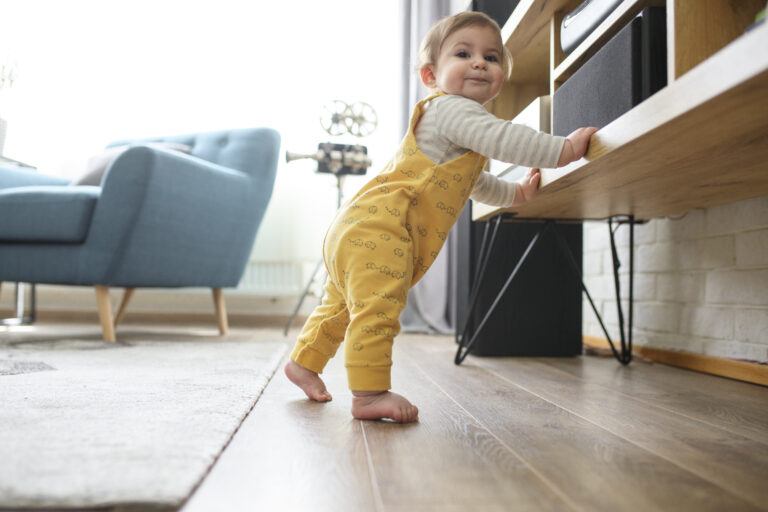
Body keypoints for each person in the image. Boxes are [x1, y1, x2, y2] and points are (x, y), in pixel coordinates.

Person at [285, 11, 597, 423]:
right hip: (381, 228)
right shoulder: (454, 110)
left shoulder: (457, 129)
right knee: (377, 310)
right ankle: (369, 393)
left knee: (341, 306)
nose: (481, 63)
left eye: (493, 57)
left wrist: (516, 193)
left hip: (358, 226)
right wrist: (563, 151)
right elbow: (506, 139)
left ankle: (304, 363)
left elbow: (474, 183)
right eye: (464, 53)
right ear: (431, 75)